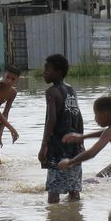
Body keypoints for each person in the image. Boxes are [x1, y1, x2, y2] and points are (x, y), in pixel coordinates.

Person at [38, 54, 85, 203]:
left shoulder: (51, 92)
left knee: (53, 192)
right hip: (74, 145)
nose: (44, 72)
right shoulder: (71, 90)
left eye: (48, 70)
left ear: (58, 72)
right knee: (74, 189)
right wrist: (81, 141)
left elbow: (51, 120)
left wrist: (44, 145)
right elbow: (79, 117)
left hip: (58, 145)